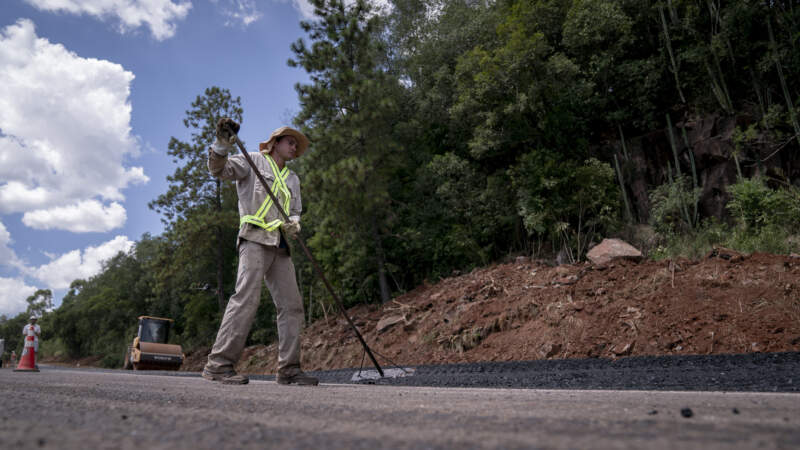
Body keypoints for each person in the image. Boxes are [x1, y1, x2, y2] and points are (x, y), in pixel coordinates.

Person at [201, 118, 318, 386]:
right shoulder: (252, 161)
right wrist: (220, 145)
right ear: (275, 143)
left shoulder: (292, 178)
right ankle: (218, 365)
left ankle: (289, 369)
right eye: (290, 142)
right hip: (254, 238)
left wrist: (295, 224)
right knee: (246, 298)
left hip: (280, 245)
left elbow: (295, 210)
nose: (294, 148)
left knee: (292, 306)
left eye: (296, 146)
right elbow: (218, 170)